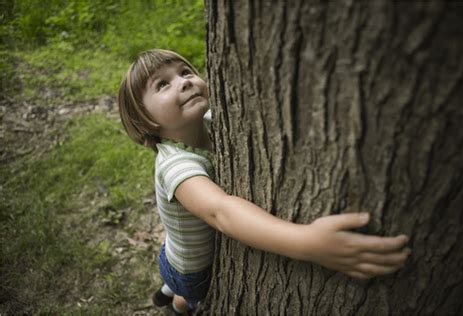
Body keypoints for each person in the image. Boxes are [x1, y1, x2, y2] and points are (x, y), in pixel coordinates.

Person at [118, 49, 411, 315]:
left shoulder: (208, 119)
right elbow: (221, 211)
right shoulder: (175, 166)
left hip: (177, 244)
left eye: (185, 72)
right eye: (162, 84)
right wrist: (307, 242)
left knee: (175, 263)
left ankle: (166, 292)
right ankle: (177, 301)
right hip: (192, 270)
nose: (184, 82)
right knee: (188, 294)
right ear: (145, 120)